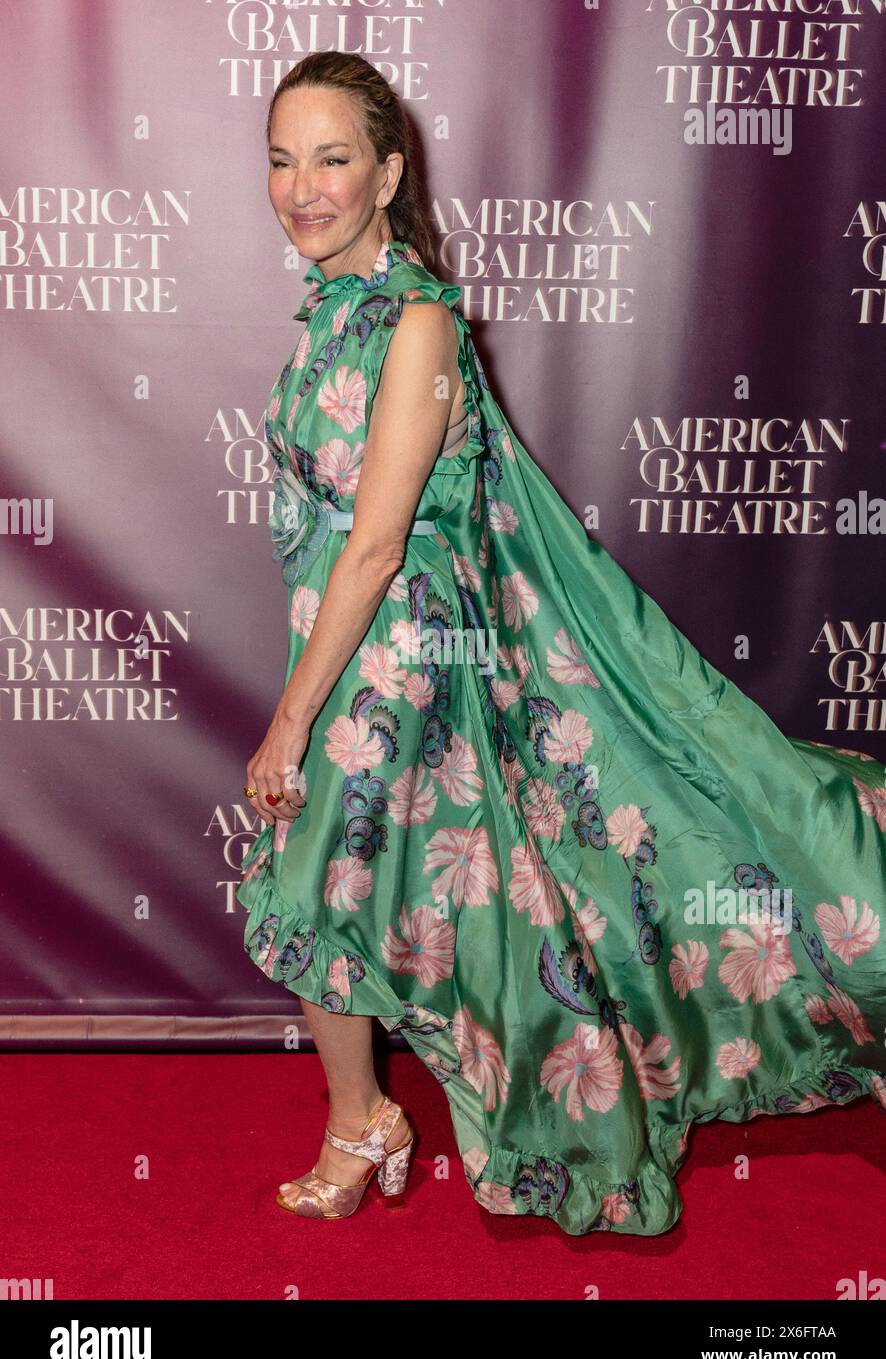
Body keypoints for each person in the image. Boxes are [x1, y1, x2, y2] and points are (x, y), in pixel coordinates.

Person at [236, 51, 886, 1236]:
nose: (301, 186)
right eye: (282, 159)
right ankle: (364, 1112)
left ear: (389, 174)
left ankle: (368, 1116)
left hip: (406, 665)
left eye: (333, 159)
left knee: (320, 882)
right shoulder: (332, 306)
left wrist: (292, 714)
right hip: (344, 646)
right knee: (334, 888)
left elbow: (378, 543)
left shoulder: (417, 321)